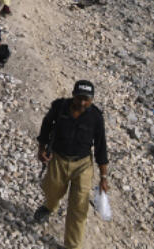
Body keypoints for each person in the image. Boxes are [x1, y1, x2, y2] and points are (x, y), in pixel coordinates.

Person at [32, 80, 110, 249]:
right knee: (51, 189)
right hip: (58, 160)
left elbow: (101, 147)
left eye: (87, 99)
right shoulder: (60, 107)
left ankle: (72, 246)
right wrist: (41, 148)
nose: (82, 103)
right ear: (73, 95)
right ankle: (49, 206)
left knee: (79, 206)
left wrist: (103, 177)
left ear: (92, 100)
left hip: (82, 165)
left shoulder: (95, 117)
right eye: (79, 98)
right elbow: (46, 126)